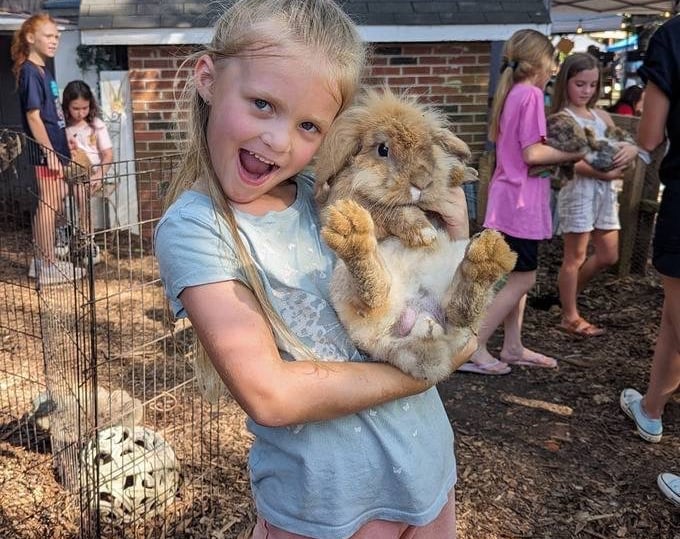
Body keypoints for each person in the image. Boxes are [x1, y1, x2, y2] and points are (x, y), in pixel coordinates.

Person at [154, 1, 476, 537]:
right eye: (262, 104)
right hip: (326, 511)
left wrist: (456, 240)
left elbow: (446, 318)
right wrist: (424, 369)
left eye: (308, 125)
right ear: (207, 78)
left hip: (427, 474)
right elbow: (272, 395)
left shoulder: (330, 194)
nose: (279, 141)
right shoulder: (196, 228)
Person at [459, 30, 585, 375]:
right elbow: (532, 154)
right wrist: (575, 152)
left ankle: (512, 346)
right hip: (519, 203)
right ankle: (473, 347)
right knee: (523, 280)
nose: (554, 70)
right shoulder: (530, 94)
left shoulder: (513, 92)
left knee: (517, 275)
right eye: (553, 62)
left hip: (509, 200)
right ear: (541, 63)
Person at [619, 14, 680, 503]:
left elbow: (649, 134)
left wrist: (634, 146)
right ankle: (651, 409)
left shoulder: (674, 36)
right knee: (672, 315)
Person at [552, 53, 639, 337]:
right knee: (575, 256)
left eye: (592, 85)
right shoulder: (561, 120)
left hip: (605, 195)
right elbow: (565, 161)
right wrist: (603, 173)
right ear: (566, 82)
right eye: (580, 84)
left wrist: (631, 150)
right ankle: (569, 316)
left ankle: (567, 294)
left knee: (608, 254)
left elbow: (624, 143)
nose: (586, 91)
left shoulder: (601, 116)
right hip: (578, 191)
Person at [11, 13, 85, 285]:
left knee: (56, 198)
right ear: (31, 38)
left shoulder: (44, 70)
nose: (54, 41)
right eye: (48, 36)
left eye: (57, 36)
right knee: (49, 203)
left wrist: (65, 141)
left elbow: (53, 114)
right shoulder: (30, 71)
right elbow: (33, 117)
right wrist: (50, 152)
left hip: (56, 148)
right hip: (45, 153)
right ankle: (47, 264)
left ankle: (43, 259)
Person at [62, 79, 113, 265]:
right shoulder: (63, 127)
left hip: (91, 173)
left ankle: (87, 239)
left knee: (80, 191)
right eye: (75, 108)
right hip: (66, 171)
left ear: (90, 105)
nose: (80, 113)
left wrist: (99, 174)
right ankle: (62, 232)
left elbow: (108, 154)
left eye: (85, 108)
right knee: (54, 192)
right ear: (67, 106)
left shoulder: (96, 125)